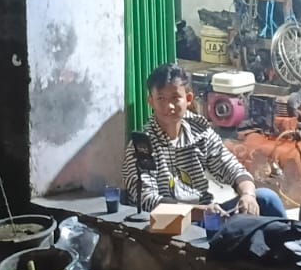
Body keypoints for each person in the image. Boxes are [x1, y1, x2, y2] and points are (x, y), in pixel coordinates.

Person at [120, 63, 287, 218]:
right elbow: (147, 200)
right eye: (161, 99)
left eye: (175, 98)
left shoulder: (199, 131)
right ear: (150, 102)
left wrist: (248, 195)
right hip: (168, 223)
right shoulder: (142, 145)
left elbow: (232, 168)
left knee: (266, 198)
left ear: (188, 99)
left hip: (208, 215)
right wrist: (198, 212)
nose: (169, 106)